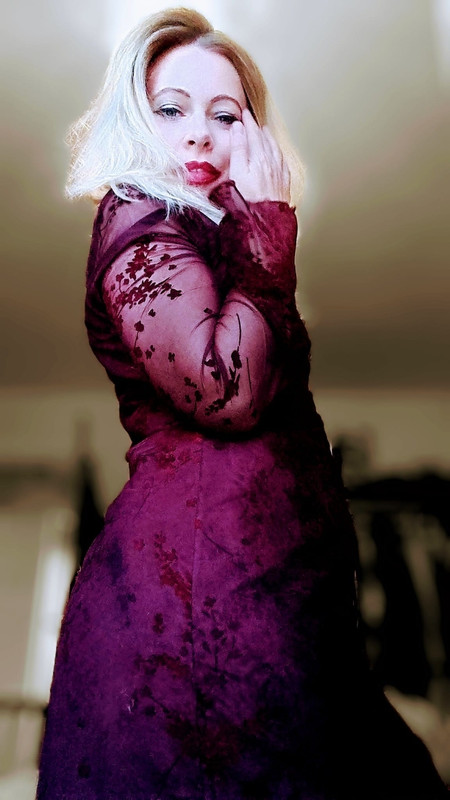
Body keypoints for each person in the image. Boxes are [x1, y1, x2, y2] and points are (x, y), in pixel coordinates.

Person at [36, 8, 449, 800]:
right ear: (134, 119)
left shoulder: (227, 243)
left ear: (253, 136)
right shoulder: (138, 216)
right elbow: (224, 388)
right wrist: (268, 231)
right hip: (192, 616)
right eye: (171, 109)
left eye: (225, 116)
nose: (199, 132)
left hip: (275, 609)